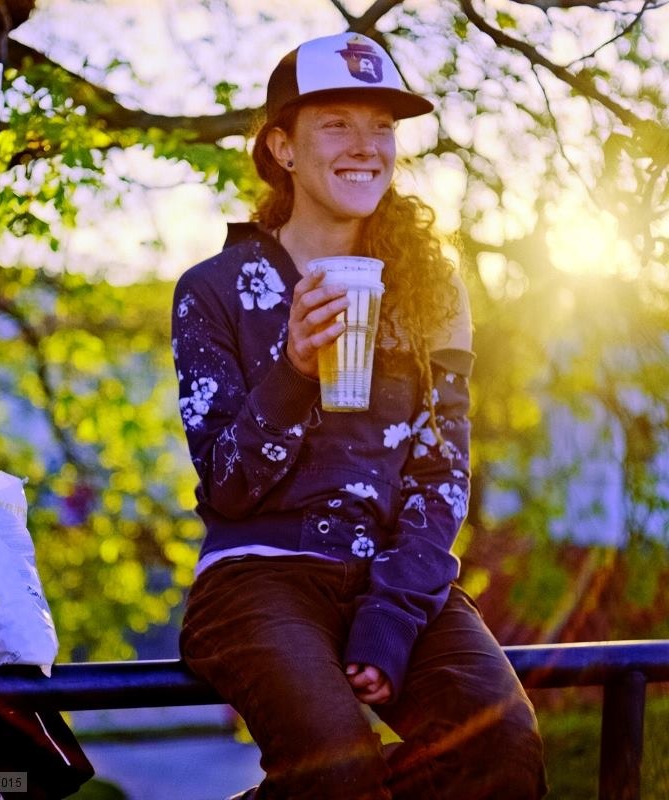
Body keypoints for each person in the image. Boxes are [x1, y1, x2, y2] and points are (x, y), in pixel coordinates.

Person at [171, 31, 548, 800]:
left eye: (382, 127)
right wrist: (294, 372)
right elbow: (227, 488)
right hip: (258, 577)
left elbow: (443, 472)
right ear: (282, 147)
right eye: (336, 123)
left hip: (395, 574)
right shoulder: (211, 290)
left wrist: (392, 615)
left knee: (503, 748)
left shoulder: (433, 288)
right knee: (337, 769)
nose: (365, 146)